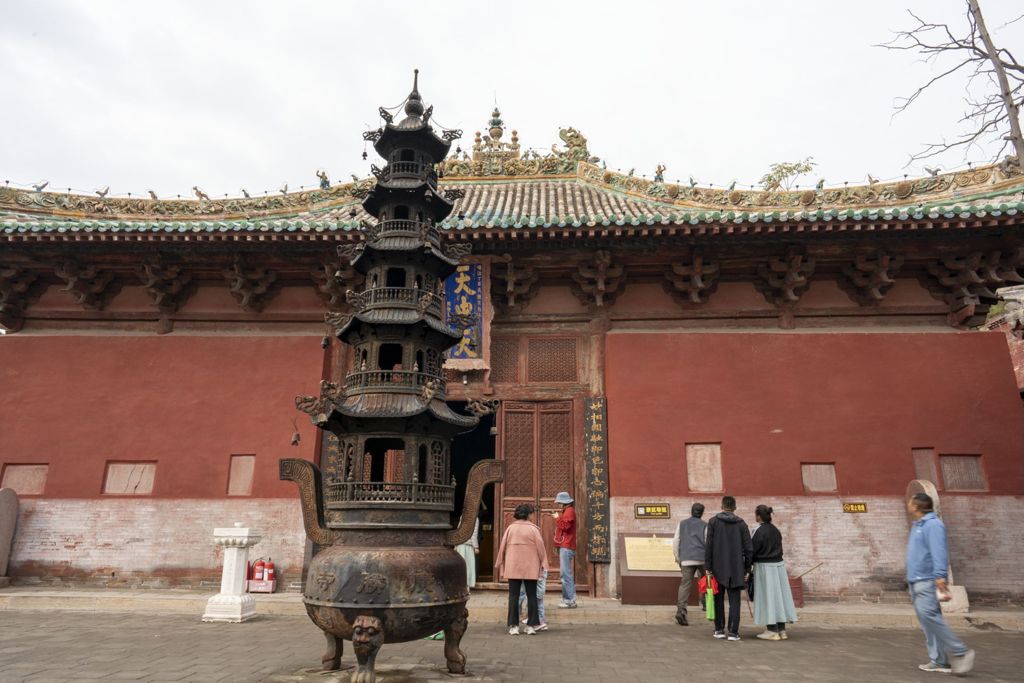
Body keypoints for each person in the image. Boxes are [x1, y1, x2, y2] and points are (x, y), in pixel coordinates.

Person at [906, 493, 975, 675]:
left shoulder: (933, 525)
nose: (908, 505)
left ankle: (961, 651)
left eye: (910, 502)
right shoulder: (918, 525)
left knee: (930, 618)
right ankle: (939, 661)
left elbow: (939, 551)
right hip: (916, 580)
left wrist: (940, 576)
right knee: (928, 622)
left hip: (927, 581)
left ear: (917, 506)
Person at [495, 503, 548, 635]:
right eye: (531, 513)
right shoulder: (533, 529)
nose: (532, 515)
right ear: (528, 514)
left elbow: (502, 546)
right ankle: (531, 626)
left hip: (513, 566)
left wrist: (499, 562)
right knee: (532, 596)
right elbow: (541, 548)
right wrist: (544, 563)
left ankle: (514, 626)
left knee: (513, 596)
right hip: (531, 566)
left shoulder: (510, 528)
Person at [704, 495, 752, 641]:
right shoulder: (741, 524)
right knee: (735, 601)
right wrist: (747, 568)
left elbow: (709, 547)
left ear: (721, 506)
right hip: (736, 567)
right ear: (735, 507)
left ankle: (719, 629)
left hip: (718, 567)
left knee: (718, 599)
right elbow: (749, 548)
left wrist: (708, 567)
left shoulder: (713, 522)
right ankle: (733, 632)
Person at [750, 504, 798, 640]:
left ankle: (772, 630)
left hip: (764, 567)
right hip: (779, 566)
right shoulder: (776, 530)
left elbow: (752, 550)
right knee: (779, 597)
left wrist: (747, 567)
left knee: (768, 597)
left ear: (758, 516)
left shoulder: (758, 531)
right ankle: (781, 629)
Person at [672, 502, 707, 626]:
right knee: (706, 580)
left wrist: (678, 558)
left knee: (685, 584)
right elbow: (708, 542)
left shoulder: (682, 524)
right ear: (702, 513)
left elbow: (676, 541)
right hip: (702, 558)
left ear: (691, 511)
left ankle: (681, 610)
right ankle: (706, 603)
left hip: (686, 558)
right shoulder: (705, 525)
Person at [553, 491, 578, 608]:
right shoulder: (567, 511)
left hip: (567, 545)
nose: (558, 505)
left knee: (565, 574)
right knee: (565, 574)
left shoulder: (569, 511)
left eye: (559, 502)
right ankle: (569, 599)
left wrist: (557, 518)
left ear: (564, 503)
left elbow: (565, 527)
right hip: (565, 545)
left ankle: (569, 600)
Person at [455, 516, 480, 588]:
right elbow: (474, 533)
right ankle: (466, 587)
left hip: (460, 544)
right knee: (468, 566)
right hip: (468, 545)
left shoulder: (463, 516)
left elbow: (458, 530)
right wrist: (476, 547)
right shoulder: (475, 518)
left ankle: (459, 586)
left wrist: (456, 544)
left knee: (461, 566)